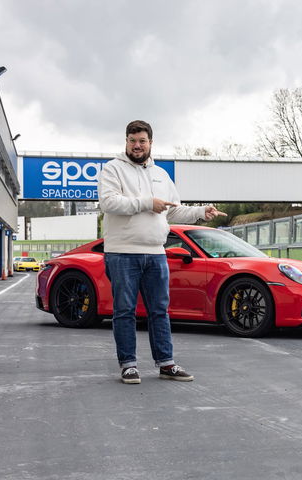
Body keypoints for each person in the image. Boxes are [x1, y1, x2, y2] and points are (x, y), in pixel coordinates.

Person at [97, 120, 226, 384]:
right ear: (126, 141)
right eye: (132, 140)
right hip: (122, 252)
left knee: (159, 310)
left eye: (142, 140)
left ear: (150, 143)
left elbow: (173, 209)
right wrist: (147, 203)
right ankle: (128, 365)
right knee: (124, 311)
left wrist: (201, 212)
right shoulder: (112, 169)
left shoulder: (161, 175)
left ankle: (166, 363)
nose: (137, 145)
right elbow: (108, 203)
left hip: (156, 253)